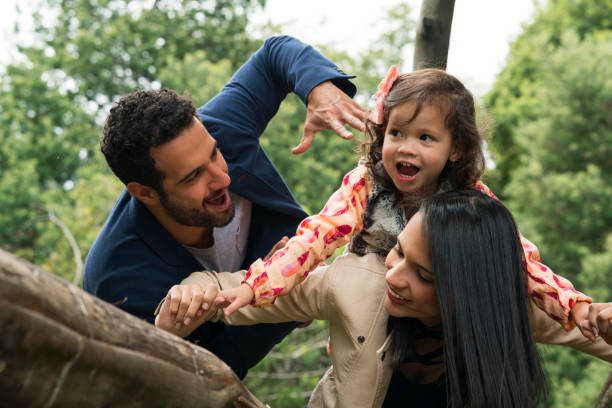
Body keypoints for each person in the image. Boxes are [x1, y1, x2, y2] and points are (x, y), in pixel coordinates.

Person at [165, 66, 598, 338]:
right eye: (396, 133)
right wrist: (253, 286)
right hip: (376, 278)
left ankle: (594, 321)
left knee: (533, 307)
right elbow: (315, 236)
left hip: (446, 295)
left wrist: (576, 305)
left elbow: (521, 260)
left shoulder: (471, 199)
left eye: (425, 137)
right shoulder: (366, 184)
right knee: (361, 307)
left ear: (456, 149)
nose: (405, 148)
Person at [156, 190, 612, 407]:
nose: (394, 273)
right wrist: (189, 297)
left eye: (423, 274)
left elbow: (598, 332)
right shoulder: (354, 283)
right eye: (398, 251)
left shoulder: (506, 313)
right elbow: (228, 288)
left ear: (466, 293)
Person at [82, 35, 367, 379]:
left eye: (215, 153)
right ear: (145, 193)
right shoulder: (116, 278)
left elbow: (274, 54)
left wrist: (318, 87)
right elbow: (208, 370)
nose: (223, 178)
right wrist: (286, 299)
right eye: (193, 177)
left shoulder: (222, 125)